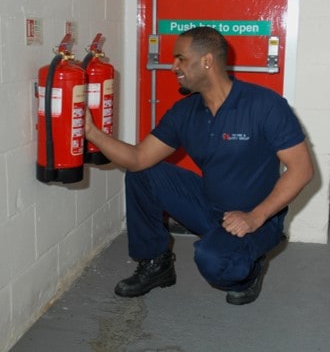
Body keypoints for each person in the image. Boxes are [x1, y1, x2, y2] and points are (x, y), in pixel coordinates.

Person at [84, 26, 314, 305]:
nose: (173, 66)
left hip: (256, 218)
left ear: (207, 61)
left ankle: (251, 269)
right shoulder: (185, 112)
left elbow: (302, 170)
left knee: (217, 264)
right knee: (142, 174)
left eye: (180, 58)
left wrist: (255, 217)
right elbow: (138, 158)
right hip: (208, 204)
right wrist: (92, 132)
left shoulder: (264, 105)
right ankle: (156, 264)